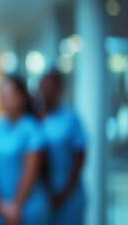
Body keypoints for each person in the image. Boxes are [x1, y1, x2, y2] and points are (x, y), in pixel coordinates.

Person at [0, 76, 49, 225]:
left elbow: (31, 171)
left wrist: (15, 206)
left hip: (27, 206)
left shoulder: (31, 128)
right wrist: (1, 203)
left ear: (22, 97)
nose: (5, 96)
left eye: (10, 93)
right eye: (2, 92)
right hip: (2, 207)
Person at [38, 72, 87, 225]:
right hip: (42, 195)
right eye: (43, 88)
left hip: (68, 193)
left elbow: (80, 157)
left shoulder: (70, 118)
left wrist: (64, 193)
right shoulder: (32, 118)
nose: (47, 92)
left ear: (60, 89)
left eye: (51, 88)